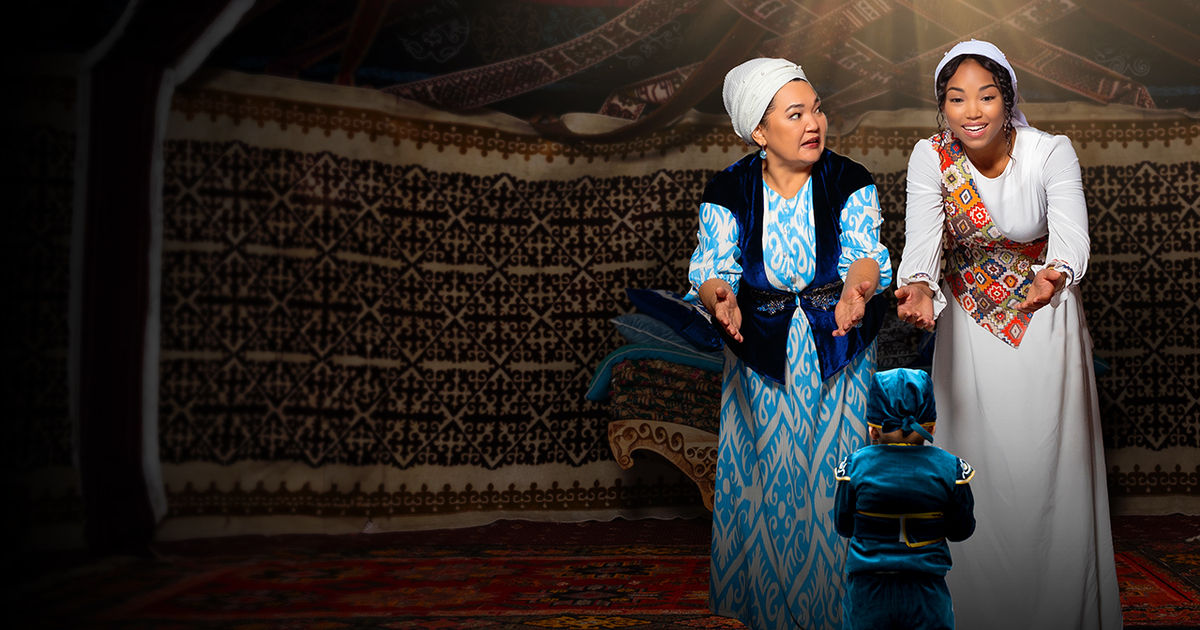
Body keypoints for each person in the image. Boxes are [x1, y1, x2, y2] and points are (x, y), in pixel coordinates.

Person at [893, 39, 1122, 629]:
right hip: (969, 326)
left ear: (1008, 99)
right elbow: (923, 238)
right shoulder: (930, 156)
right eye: (956, 98)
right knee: (975, 465)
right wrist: (917, 285)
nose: (971, 112)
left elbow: (1071, 234)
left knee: (1045, 461)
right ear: (942, 106)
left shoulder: (1050, 151)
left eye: (986, 96)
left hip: (1045, 322)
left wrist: (1055, 274)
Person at [686, 57, 892, 630]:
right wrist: (718, 296)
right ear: (759, 130)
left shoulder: (849, 178)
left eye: (817, 110)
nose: (814, 124)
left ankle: (844, 613)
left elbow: (866, 254)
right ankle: (778, 614)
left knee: (839, 477)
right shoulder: (729, 188)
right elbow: (713, 267)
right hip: (761, 349)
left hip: (840, 342)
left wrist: (857, 288)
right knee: (772, 481)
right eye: (796, 114)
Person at [833, 368, 975, 630]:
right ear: (931, 426)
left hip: (868, 590)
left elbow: (843, 526)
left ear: (873, 430)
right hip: (926, 590)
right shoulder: (951, 469)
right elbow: (961, 530)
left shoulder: (853, 468)